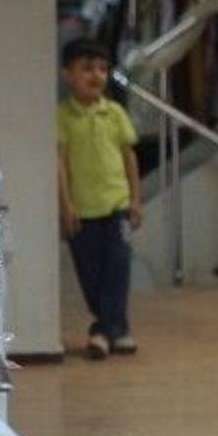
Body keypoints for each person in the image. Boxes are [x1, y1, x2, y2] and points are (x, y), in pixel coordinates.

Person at [57, 39, 143, 361]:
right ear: (67, 74)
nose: (96, 75)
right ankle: (115, 329)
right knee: (90, 274)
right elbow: (59, 163)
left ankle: (102, 332)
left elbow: (129, 157)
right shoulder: (62, 115)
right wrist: (66, 205)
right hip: (82, 210)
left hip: (117, 206)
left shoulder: (115, 112)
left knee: (118, 268)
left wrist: (135, 199)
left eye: (103, 69)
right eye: (87, 68)